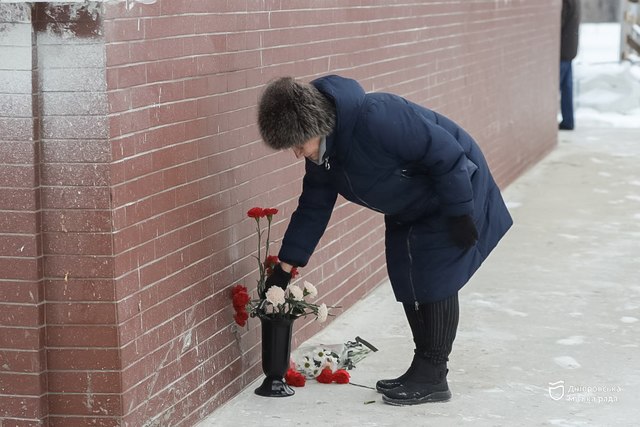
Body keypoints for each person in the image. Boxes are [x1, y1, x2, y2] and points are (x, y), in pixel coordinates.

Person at [257, 75, 513, 406]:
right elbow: (312, 209)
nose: (297, 153)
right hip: (410, 206)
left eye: (298, 144)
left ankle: (434, 375)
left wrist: (461, 213)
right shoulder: (323, 158)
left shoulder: (378, 117)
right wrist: (284, 268)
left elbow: (447, 154)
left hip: (451, 192)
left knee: (435, 278)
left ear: (315, 126)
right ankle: (422, 367)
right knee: (408, 275)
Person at [559, 0, 581, 130]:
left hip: (563, 50)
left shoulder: (567, 2)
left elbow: (559, 23)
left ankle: (567, 120)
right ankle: (568, 120)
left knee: (555, 87)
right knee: (567, 88)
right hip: (570, 48)